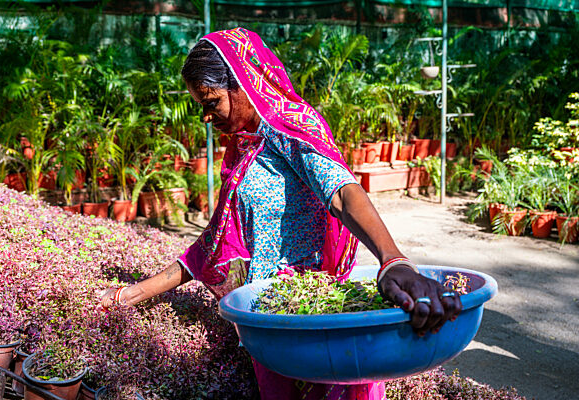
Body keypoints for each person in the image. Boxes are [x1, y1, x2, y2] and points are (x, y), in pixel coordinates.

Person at [100, 27, 462, 400]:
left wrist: (393, 261)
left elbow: (341, 191)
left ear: (241, 81)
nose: (207, 117)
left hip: (313, 317)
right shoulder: (244, 149)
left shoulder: (290, 127)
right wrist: (128, 295)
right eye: (201, 106)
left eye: (211, 102)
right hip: (268, 319)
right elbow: (210, 248)